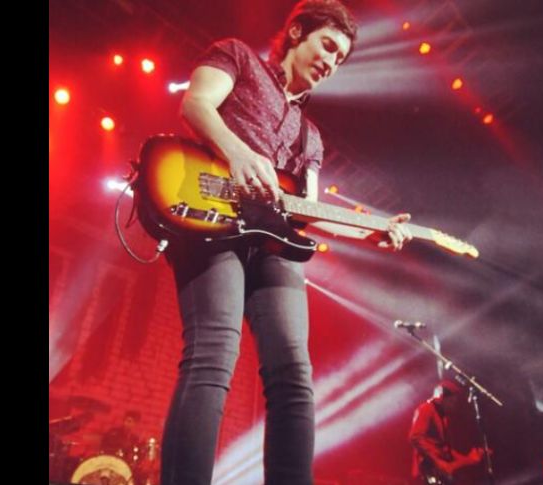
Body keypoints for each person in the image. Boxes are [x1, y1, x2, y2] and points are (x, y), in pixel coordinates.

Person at [160, 1, 413, 484]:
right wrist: (237, 152)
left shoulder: (310, 137)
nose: (332, 62)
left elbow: (307, 211)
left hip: (273, 242)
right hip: (210, 216)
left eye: (340, 58)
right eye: (327, 46)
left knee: (294, 377)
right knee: (214, 353)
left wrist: (373, 232)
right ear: (297, 32)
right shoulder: (237, 56)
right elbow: (195, 103)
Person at [409, 380, 486, 484]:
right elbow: (415, 437)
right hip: (427, 471)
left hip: (437, 473)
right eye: (451, 401)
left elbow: (444, 449)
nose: (453, 405)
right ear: (441, 398)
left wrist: (469, 458)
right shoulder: (425, 409)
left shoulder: (443, 417)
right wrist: (437, 462)